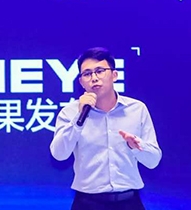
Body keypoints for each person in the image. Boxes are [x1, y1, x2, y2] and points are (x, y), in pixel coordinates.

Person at [50, 47, 162, 210]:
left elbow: (153, 161)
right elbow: (59, 155)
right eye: (87, 74)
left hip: (129, 201)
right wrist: (79, 120)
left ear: (114, 75)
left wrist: (137, 147)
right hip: (87, 203)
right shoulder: (70, 113)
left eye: (100, 71)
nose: (94, 78)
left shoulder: (137, 109)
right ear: (81, 82)